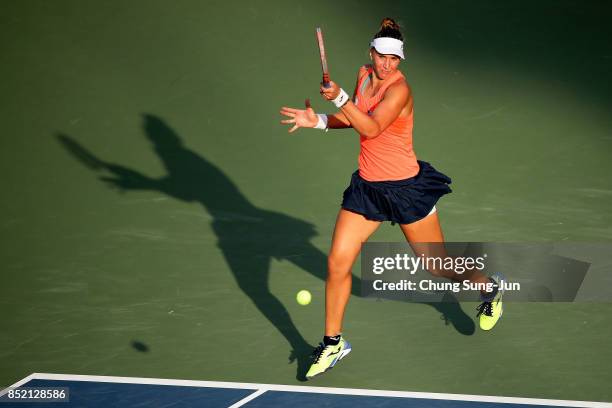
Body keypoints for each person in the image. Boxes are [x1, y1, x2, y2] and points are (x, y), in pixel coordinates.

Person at [280, 18, 504, 379]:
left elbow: (371, 127)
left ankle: (488, 287)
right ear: (371, 53)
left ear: (400, 60)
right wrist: (320, 120)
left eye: (394, 58)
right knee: (338, 262)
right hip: (367, 190)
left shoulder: (400, 90)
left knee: (437, 266)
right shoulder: (364, 75)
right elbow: (355, 118)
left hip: (406, 192)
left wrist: (339, 97)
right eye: (382, 56)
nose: (387, 64)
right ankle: (333, 343)